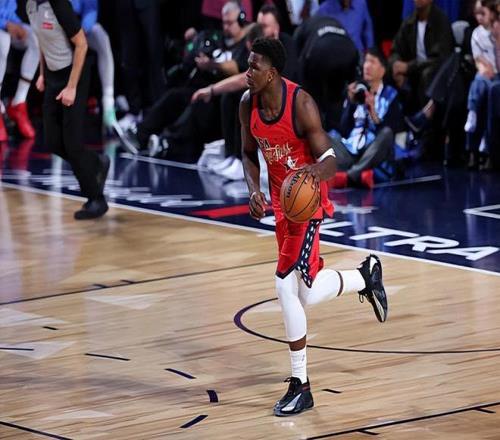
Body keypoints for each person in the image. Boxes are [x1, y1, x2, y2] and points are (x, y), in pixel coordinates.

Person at [240, 37, 388, 416]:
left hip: (307, 205)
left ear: (272, 73)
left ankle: (301, 385)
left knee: (283, 284)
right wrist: (253, 189)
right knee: (303, 294)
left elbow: (330, 160)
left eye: (255, 66)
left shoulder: (300, 104)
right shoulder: (247, 104)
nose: (248, 71)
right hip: (281, 206)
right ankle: (364, 277)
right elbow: (248, 153)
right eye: (248, 64)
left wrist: (310, 174)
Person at [27, 0, 109, 220]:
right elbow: (42, 40)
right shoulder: (30, 5)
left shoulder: (58, 5)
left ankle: (96, 199)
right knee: (53, 142)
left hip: (75, 74)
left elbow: (82, 44)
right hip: (53, 75)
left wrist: (71, 87)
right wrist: (42, 74)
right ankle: (96, 162)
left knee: (72, 145)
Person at [332, 47, 403, 188]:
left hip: (373, 152)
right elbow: (344, 130)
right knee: (325, 135)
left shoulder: (391, 96)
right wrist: (350, 104)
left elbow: (391, 132)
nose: (367, 66)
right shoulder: (357, 91)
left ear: (382, 70)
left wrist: (373, 112)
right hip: (350, 150)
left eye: (372, 62)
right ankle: (360, 173)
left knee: (387, 134)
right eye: (365, 61)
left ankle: (350, 176)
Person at [294, 15, 359, 129]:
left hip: (320, 52)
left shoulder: (302, 28)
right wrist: (354, 80)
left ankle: (315, 129)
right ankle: (335, 128)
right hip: (349, 50)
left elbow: (297, 57)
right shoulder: (332, 21)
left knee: (311, 97)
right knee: (336, 96)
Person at [70, 0, 118, 133]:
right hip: (56, 24)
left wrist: (84, 29)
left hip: (80, 26)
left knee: (101, 37)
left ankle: (108, 106)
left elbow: (91, 8)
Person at [0, 0, 39, 141]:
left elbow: (9, 8)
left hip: (6, 23)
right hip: (2, 26)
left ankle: (19, 102)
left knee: (36, 38)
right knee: (2, 40)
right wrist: (5, 24)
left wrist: (18, 24)